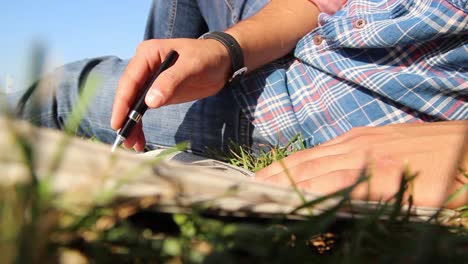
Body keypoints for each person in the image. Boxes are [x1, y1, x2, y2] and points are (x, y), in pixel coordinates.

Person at [9, 0, 467, 208]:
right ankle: (147, 111)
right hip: (311, 51)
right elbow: (322, 4)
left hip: (310, 103)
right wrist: (225, 48)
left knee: (66, 89)